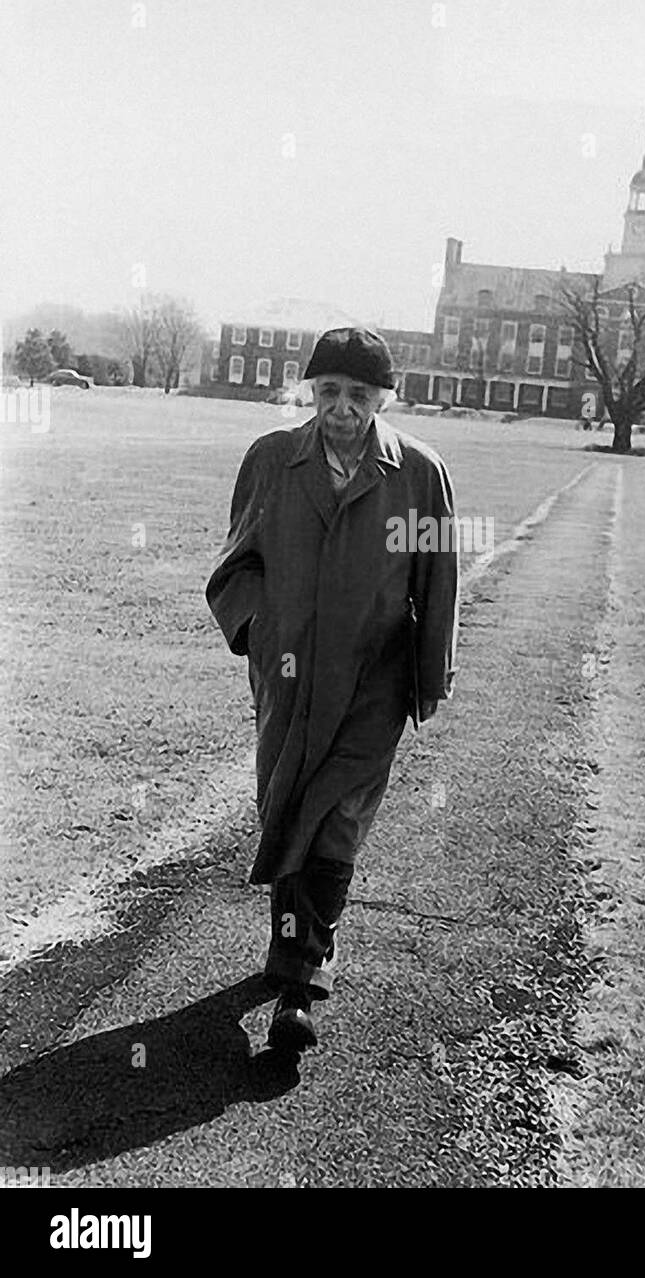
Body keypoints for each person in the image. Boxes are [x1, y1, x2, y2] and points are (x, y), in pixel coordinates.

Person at [206, 327, 458, 1054]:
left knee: (336, 816)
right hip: (288, 680)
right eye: (327, 392)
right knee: (288, 807)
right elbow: (235, 566)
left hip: (374, 680)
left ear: (381, 398)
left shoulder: (417, 472)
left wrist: (431, 672)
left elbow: (435, 580)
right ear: (309, 393)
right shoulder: (272, 461)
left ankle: (299, 983)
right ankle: (296, 957)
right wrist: (261, 630)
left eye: (356, 394)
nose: (341, 408)